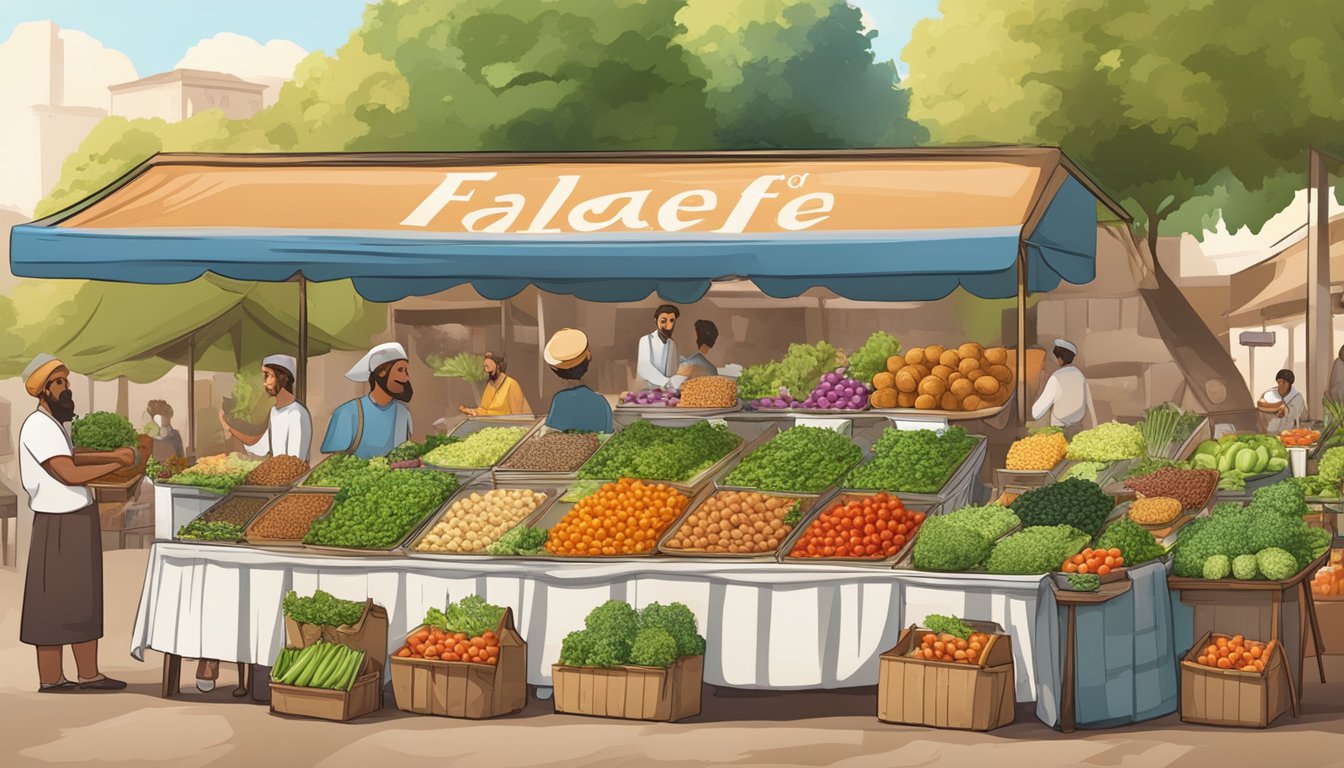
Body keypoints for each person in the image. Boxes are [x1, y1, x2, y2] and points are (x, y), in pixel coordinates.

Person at [18, 354, 134, 693]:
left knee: (83, 600)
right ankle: (52, 678)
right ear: (43, 390)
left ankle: (88, 674)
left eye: (66, 382)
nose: (66, 389)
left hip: (77, 519)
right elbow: (68, 472)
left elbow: (73, 454)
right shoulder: (38, 425)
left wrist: (113, 455)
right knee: (54, 603)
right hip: (58, 523)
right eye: (58, 383)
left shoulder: (55, 424)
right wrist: (114, 467)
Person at [320, 342, 414, 458]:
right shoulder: (347, 413)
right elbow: (335, 461)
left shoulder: (403, 412)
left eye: (406, 370)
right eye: (400, 370)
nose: (406, 377)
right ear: (381, 372)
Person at [219, 354, 313, 462]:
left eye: (268, 375)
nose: (265, 382)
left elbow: (295, 464)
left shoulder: (297, 413)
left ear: (284, 377)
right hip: (276, 475)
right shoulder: (274, 411)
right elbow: (259, 447)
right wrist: (228, 428)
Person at [543, 328, 613, 433]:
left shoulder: (560, 399)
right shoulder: (600, 401)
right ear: (588, 357)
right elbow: (606, 433)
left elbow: (551, 431)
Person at [1030, 339, 1096, 437]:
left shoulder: (1056, 377)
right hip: (1078, 429)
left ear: (1060, 359)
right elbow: (1089, 402)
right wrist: (1095, 424)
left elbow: (1037, 412)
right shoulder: (1080, 375)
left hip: (1059, 430)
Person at [459, 352, 532, 417]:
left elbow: (518, 417)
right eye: (485, 367)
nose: (486, 370)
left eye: (488, 367)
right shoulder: (490, 385)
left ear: (498, 367)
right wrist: (472, 411)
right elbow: (484, 410)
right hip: (493, 426)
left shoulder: (511, 384)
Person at [636, 304, 686, 390]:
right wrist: (667, 382)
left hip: (667, 394)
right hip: (646, 393)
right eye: (663, 321)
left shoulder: (672, 344)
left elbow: (673, 369)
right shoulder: (646, 340)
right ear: (656, 321)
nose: (668, 326)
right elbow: (645, 368)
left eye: (672, 321)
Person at [1261, 369, 1306, 434]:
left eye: (1283, 382)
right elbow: (1262, 417)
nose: (1280, 385)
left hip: (1290, 434)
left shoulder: (1297, 397)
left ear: (1290, 383)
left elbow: (1303, 418)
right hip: (1271, 434)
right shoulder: (1269, 395)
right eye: (1278, 382)